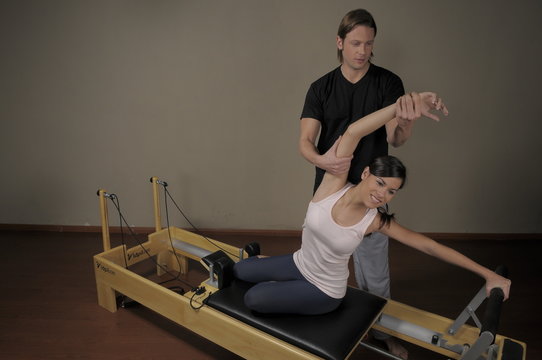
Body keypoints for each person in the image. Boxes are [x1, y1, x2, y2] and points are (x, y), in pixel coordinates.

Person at [235, 92, 511, 348]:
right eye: (380, 183)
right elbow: (354, 130)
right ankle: (273, 278)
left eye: (391, 191)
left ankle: (284, 293)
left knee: (254, 298)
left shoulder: (375, 222)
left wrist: (488, 275)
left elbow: (430, 247)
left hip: (324, 291)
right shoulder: (332, 183)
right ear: (366, 173)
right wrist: (403, 104)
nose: (383, 194)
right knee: (240, 271)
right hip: (298, 262)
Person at [298, 9, 423, 357]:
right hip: (330, 190)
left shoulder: (387, 83)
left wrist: (407, 124)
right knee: (318, 264)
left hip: (371, 189)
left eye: (368, 44)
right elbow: (305, 142)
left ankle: (379, 332)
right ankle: (314, 322)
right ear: (340, 43)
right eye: (355, 43)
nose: (362, 50)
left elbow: (395, 139)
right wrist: (320, 160)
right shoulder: (320, 87)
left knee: (374, 271)